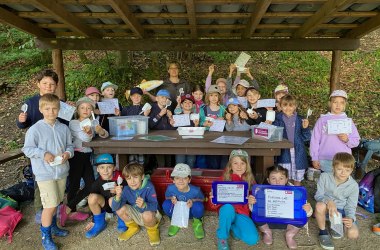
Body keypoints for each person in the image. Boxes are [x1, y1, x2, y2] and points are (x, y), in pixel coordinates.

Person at [22, 94, 74, 250]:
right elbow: (27, 149)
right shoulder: (35, 129)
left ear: (59, 109)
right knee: (50, 205)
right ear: (40, 109)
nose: (51, 112)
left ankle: (53, 227)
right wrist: (43, 154)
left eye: (54, 109)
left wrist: (67, 154)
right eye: (47, 109)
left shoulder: (64, 128)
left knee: (57, 202)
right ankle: (46, 237)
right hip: (45, 174)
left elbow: (70, 147)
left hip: (61, 172)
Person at [17, 69, 61, 223]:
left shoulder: (58, 102)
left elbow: (65, 124)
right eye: (45, 83)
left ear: (56, 86)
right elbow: (23, 124)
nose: (48, 87)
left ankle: (55, 208)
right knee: (39, 179)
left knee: (56, 177)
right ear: (38, 84)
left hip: (55, 147)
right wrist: (21, 120)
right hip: (37, 148)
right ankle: (40, 209)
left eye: (52, 84)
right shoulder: (30, 102)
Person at [59, 97, 109, 227]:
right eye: (82, 108)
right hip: (76, 156)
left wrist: (101, 131)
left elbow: (106, 135)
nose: (85, 110)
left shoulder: (94, 121)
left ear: (92, 110)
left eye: (89, 108)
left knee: (91, 185)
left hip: (87, 156)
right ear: (78, 110)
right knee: (74, 185)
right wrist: (91, 132)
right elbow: (85, 138)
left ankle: (68, 208)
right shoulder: (74, 123)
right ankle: (71, 211)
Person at [208, 149, 259, 250]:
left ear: (247, 165)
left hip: (242, 213)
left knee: (252, 239)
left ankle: (232, 227)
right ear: (230, 165)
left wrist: (252, 200)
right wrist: (212, 199)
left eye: (242, 163)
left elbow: (256, 198)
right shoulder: (223, 179)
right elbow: (213, 205)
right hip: (227, 211)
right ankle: (222, 237)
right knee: (227, 208)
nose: (239, 166)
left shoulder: (250, 179)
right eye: (235, 163)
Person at [252, 165, 313, 248]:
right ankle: (267, 232)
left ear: (286, 179)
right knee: (255, 213)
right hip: (268, 221)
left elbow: (307, 211)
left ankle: (290, 234)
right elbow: (253, 210)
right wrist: (252, 203)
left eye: (281, 178)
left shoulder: (296, 192)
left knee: (304, 216)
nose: (278, 182)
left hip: (288, 223)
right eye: (273, 178)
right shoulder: (261, 191)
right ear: (268, 180)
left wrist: (308, 210)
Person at [315, 152, 359, 249]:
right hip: (326, 208)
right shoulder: (324, 177)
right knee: (319, 206)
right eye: (339, 169)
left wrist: (350, 218)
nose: (343, 173)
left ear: (351, 170)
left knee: (353, 234)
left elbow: (351, 206)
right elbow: (318, 195)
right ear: (333, 167)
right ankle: (323, 232)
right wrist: (328, 201)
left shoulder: (354, 186)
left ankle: (336, 223)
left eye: (347, 170)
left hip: (341, 211)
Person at [310, 90, 360, 173]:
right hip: (325, 159)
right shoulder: (322, 120)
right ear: (330, 103)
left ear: (345, 105)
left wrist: (347, 140)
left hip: (343, 160)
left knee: (341, 184)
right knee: (327, 183)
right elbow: (314, 140)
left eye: (341, 103)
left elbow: (356, 140)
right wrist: (314, 158)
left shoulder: (348, 122)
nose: (338, 105)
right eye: (335, 102)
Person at [112, 162, 162, 246]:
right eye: (129, 178)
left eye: (135, 177)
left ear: (142, 177)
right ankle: (133, 227)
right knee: (120, 208)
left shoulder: (149, 186)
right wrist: (118, 196)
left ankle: (153, 231)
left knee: (147, 214)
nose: (132, 181)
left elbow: (155, 206)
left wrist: (144, 205)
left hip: (151, 214)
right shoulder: (126, 189)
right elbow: (115, 208)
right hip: (137, 214)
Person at [273, 95, 311, 186]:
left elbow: (306, 138)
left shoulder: (300, 119)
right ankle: (284, 197)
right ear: (280, 106)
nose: (288, 108)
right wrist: (269, 123)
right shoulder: (277, 118)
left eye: (291, 105)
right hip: (283, 152)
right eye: (285, 105)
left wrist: (305, 128)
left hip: (298, 152)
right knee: (283, 177)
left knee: (297, 178)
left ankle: (296, 196)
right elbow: (273, 135)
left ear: (295, 106)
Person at [84, 154, 125, 238]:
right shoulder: (96, 183)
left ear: (114, 168)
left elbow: (130, 194)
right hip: (106, 206)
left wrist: (120, 192)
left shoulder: (120, 178)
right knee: (92, 197)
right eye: (102, 167)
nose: (105, 171)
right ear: (97, 169)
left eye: (109, 167)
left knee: (113, 199)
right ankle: (100, 223)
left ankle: (123, 218)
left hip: (121, 205)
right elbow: (93, 201)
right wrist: (93, 220)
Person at [162, 163, 205, 238]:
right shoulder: (170, 188)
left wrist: (193, 201)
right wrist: (172, 199)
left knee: (198, 206)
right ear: (173, 180)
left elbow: (202, 199)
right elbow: (167, 197)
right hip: (178, 212)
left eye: (184, 178)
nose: (181, 181)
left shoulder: (196, 190)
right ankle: (175, 221)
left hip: (190, 212)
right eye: (177, 178)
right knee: (166, 204)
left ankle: (197, 223)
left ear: (189, 180)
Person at [199, 85, 227, 169]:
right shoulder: (203, 108)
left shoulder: (223, 108)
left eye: (216, 95)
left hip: (220, 136)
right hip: (207, 136)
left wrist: (224, 118)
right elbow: (199, 122)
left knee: (221, 157)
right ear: (208, 97)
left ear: (219, 97)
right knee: (211, 158)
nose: (214, 98)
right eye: (211, 95)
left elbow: (228, 122)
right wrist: (204, 124)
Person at [121, 87, 151, 164]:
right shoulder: (126, 109)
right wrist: (118, 114)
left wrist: (145, 116)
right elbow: (121, 124)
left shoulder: (146, 108)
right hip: (129, 137)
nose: (136, 98)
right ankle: (131, 174)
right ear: (130, 97)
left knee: (141, 156)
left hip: (142, 137)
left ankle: (141, 173)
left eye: (139, 96)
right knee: (131, 156)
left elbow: (150, 125)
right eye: (134, 96)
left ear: (141, 97)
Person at [173, 94, 199, 167]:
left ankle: (189, 178)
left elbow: (198, 132)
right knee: (179, 164)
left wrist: (196, 125)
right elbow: (174, 129)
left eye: (190, 102)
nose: (187, 104)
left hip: (192, 144)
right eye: (185, 102)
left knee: (191, 163)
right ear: (181, 104)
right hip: (180, 145)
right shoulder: (177, 115)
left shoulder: (195, 116)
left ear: (193, 105)